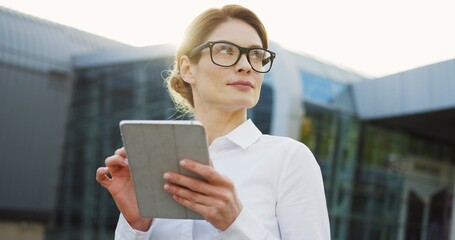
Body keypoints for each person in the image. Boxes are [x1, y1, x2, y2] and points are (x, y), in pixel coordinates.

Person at [96, 4, 330, 240]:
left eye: (257, 55)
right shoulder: (156, 163)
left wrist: (235, 222)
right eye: (226, 51)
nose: (246, 66)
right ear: (188, 69)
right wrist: (136, 224)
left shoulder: (290, 159)